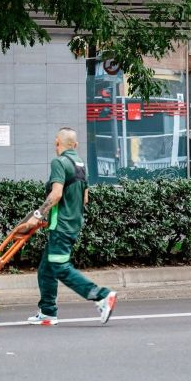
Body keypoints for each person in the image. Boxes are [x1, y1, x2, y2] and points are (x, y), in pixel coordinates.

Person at [15, 127, 117, 326]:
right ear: (75, 145)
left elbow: (56, 194)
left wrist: (37, 216)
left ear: (57, 143)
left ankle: (102, 295)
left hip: (61, 226)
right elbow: (85, 198)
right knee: (46, 269)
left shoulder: (59, 162)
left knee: (60, 267)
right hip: (73, 224)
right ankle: (47, 312)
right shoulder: (81, 165)